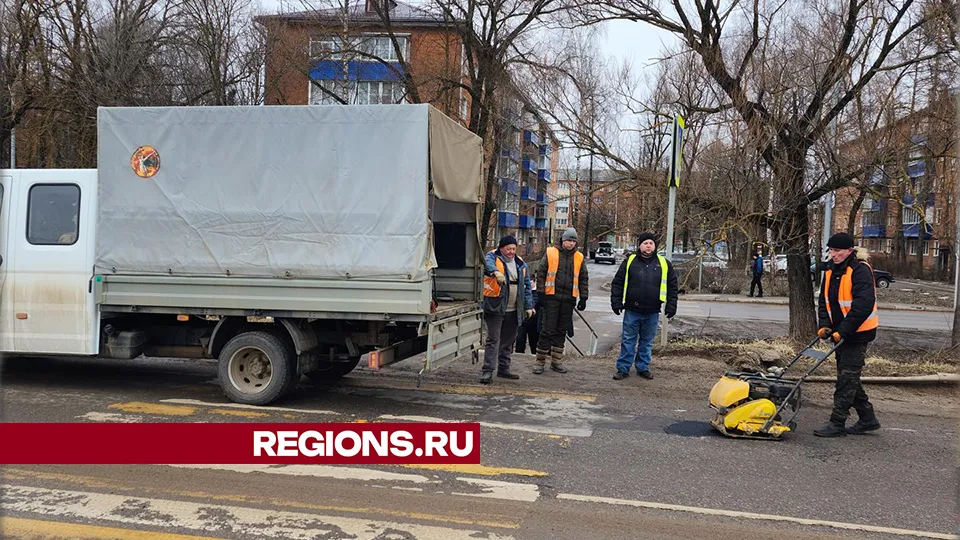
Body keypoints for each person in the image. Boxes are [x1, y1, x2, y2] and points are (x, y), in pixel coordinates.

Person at [814, 232, 881, 437]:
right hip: (839, 333)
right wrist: (825, 326)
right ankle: (867, 418)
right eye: (831, 250)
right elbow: (824, 302)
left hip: (858, 333)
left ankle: (837, 422)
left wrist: (842, 331)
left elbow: (863, 305)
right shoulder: (829, 271)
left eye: (838, 251)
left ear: (850, 251)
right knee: (849, 378)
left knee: (846, 379)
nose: (833, 254)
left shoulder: (860, 270)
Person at [610, 232, 678, 380]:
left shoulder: (664, 263)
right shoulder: (630, 261)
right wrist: (615, 302)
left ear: (655, 246)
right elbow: (618, 283)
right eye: (645, 243)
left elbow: (673, 287)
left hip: (652, 311)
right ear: (640, 245)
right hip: (632, 310)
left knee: (647, 342)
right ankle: (623, 368)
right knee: (628, 340)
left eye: (651, 243)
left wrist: (671, 305)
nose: (648, 246)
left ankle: (643, 367)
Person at [480, 235, 535, 384]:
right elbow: (487, 263)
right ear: (501, 248)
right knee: (493, 339)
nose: (511, 251)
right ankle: (487, 371)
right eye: (508, 248)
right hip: (496, 307)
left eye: (513, 248)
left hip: (514, 309)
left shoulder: (521, 264)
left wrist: (529, 306)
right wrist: (496, 272)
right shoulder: (493, 256)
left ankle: (504, 368)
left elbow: (527, 288)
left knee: (508, 340)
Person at [534, 227, 589, 374]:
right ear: (562, 241)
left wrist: (583, 297)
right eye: (568, 240)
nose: (570, 243)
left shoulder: (579, 257)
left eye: (573, 241)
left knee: (561, 331)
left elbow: (583, 278)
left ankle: (556, 361)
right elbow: (541, 273)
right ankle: (540, 361)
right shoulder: (551, 253)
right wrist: (540, 293)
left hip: (568, 300)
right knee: (547, 330)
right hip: (551, 298)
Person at [515, 281, 541, 354]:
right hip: (524, 318)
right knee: (520, 338)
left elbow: (537, 302)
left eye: (531, 282)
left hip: (534, 319)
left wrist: (531, 306)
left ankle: (534, 353)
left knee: (533, 340)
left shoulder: (537, 293)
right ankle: (519, 353)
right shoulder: (524, 292)